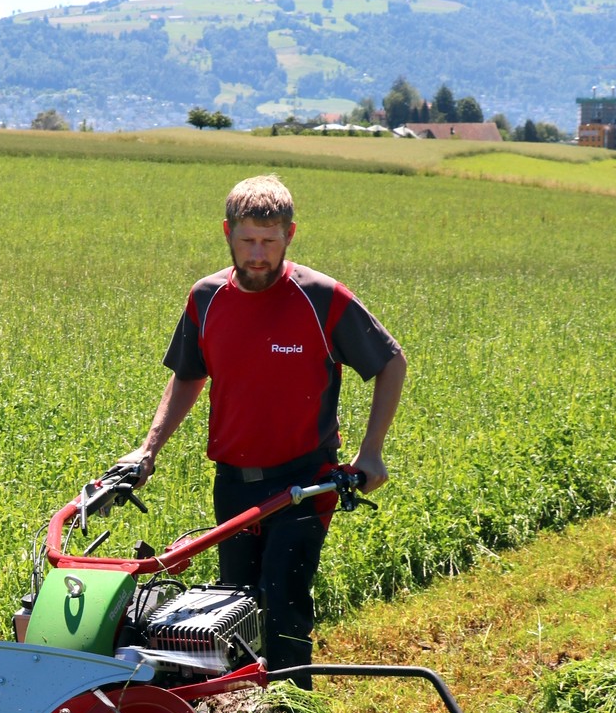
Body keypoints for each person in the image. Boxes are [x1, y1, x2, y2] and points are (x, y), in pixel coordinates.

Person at [122, 174, 406, 679]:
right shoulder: (206, 298)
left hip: (304, 481)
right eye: (248, 240)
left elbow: (391, 362)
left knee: (283, 605)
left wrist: (372, 451)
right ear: (227, 232)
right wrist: (148, 451)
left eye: (269, 243)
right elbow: (187, 377)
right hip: (232, 484)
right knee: (235, 610)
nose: (258, 254)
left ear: (289, 236)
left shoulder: (321, 298)